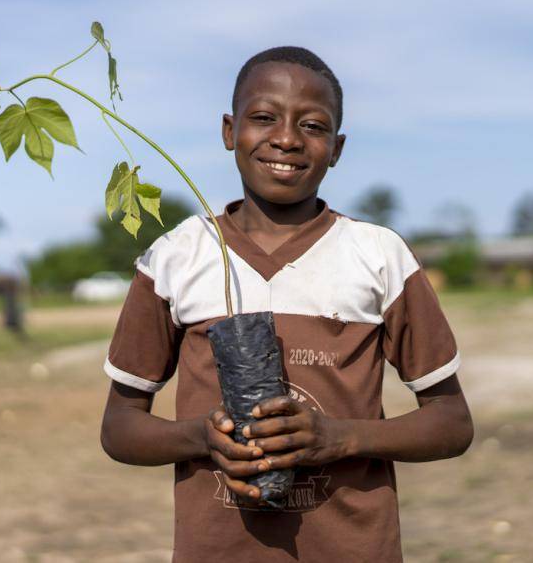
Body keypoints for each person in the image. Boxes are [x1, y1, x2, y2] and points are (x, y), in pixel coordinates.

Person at [100, 46, 473, 562]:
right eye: (263, 118)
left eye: (313, 126)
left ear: (337, 148)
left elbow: (452, 422)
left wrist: (338, 439)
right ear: (230, 131)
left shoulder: (379, 255)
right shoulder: (176, 257)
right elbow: (120, 427)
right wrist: (201, 438)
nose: (287, 138)